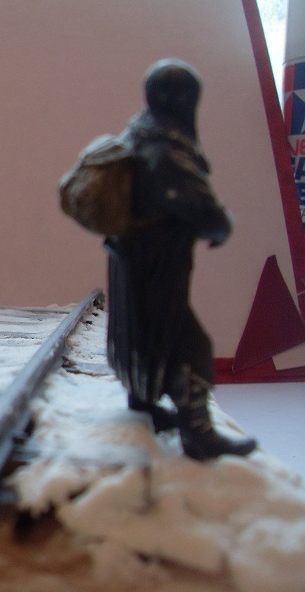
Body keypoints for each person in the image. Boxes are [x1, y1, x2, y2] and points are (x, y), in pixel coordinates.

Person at [105, 59, 257, 460]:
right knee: (190, 343)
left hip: (131, 256)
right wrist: (219, 227)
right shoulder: (167, 147)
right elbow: (198, 203)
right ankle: (198, 433)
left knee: (142, 330)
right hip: (157, 260)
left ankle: (143, 403)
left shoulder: (140, 130)